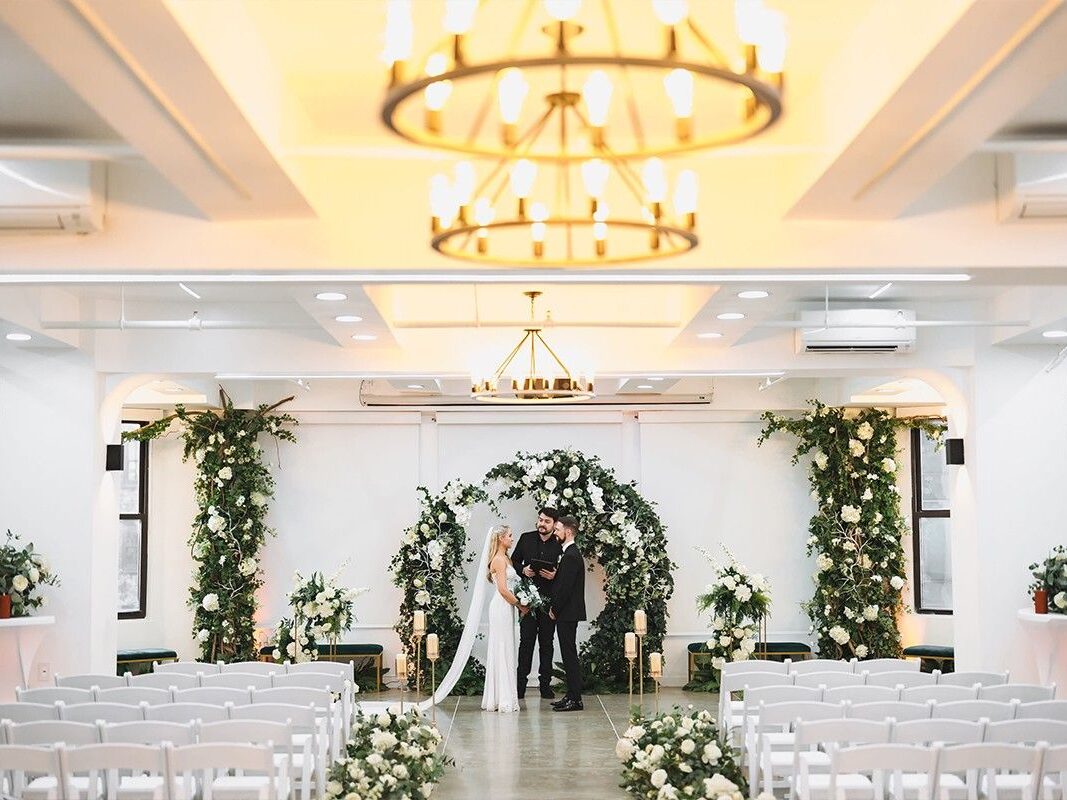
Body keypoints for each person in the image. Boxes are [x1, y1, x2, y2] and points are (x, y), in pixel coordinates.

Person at [510, 506, 562, 699]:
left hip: (549, 602)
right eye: (540, 519)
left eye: (547, 521)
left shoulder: (559, 542)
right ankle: (520, 686)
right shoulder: (526, 538)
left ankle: (545, 686)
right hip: (527, 602)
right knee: (526, 643)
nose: (542, 524)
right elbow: (512, 561)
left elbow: (567, 571)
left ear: (554, 524)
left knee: (547, 644)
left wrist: (556, 574)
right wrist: (523, 570)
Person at [481, 524, 528, 713]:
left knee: (507, 647)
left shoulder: (506, 558)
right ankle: (501, 698)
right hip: (501, 607)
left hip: (507, 607)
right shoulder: (499, 560)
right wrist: (520, 604)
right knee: (501, 647)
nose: (512, 538)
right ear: (501, 538)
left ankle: (503, 694)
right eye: (509, 535)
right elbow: (502, 589)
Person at [548, 515, 586, 712]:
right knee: (567, 653)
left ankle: (575, 699)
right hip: (568, 613)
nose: (555, 533)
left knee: (569, 655)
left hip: (567, 613)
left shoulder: (571, 555)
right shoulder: (568, 553)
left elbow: (565, 589)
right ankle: (571, 695)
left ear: (568, 532)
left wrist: (554, 609)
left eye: (557, 530)